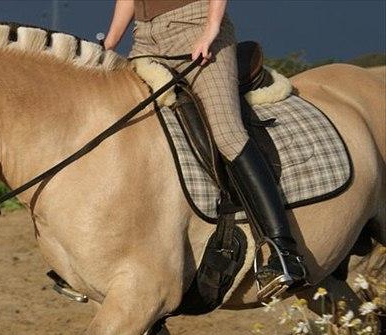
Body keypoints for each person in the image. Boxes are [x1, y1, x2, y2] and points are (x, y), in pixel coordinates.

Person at [103, 0, 307, 300]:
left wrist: (211, 28)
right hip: (146, 39)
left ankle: (284, 251)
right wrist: (108, 44)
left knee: (227, 134)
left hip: (198, 31)